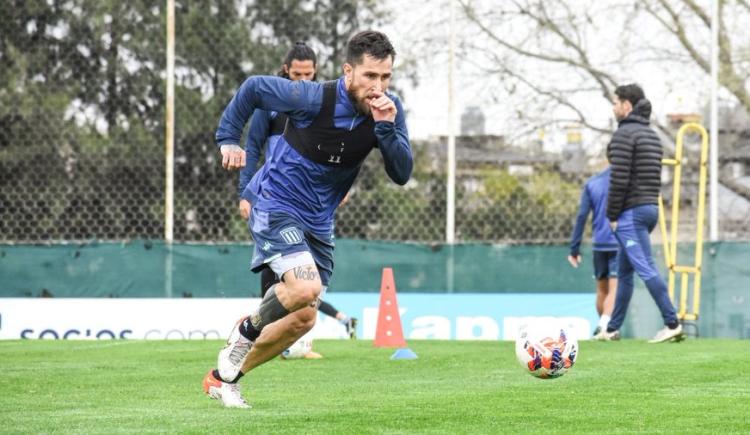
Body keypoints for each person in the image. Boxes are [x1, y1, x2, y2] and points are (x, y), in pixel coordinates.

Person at [202, 30, 412, 408]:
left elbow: (401, 173)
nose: (377, 86)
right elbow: (252, 89)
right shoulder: (312, 97)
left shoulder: (388, 110)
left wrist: (386, 128)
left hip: (319, 221)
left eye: (385, 77)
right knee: (304, 287)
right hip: (276, 202)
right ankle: (245, 331)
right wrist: (228, 138)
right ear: (348, 71)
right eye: (369, 76)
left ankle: (224, 377)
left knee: (303, 320)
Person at [238, 43, 358, 356]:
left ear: (315, 71)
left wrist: (339, 190)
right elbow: (253, 147)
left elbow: (343, 150)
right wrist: (245, 192)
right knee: (277, 261)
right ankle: (261, 328)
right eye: (296, 74)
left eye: (308, 74)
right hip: (275, 194)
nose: (302, 80)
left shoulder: (322, 104)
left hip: (313, 200)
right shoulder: (272, 105)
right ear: (285, 71)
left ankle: (293, 338)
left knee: (309, 274)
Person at [594, 84, 685, 343]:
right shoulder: (651, 135)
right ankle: (611, 329)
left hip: (630, 214)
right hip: (649, 209)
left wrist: (612, 214)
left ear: (627, 105)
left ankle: (672, 323)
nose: (613, 108)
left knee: (645, 268)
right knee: (624, 272)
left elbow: (619, 178)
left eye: (615, 103)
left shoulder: (624, 135)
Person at [567, 166, 618, 337]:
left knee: (602, 290)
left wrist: (575, 248)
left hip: (599, 243)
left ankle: (605, 329)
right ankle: (605, 325)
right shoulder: (625, 181)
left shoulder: (592, 183)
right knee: (615, 287)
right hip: (619, 241)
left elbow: (582, 215)